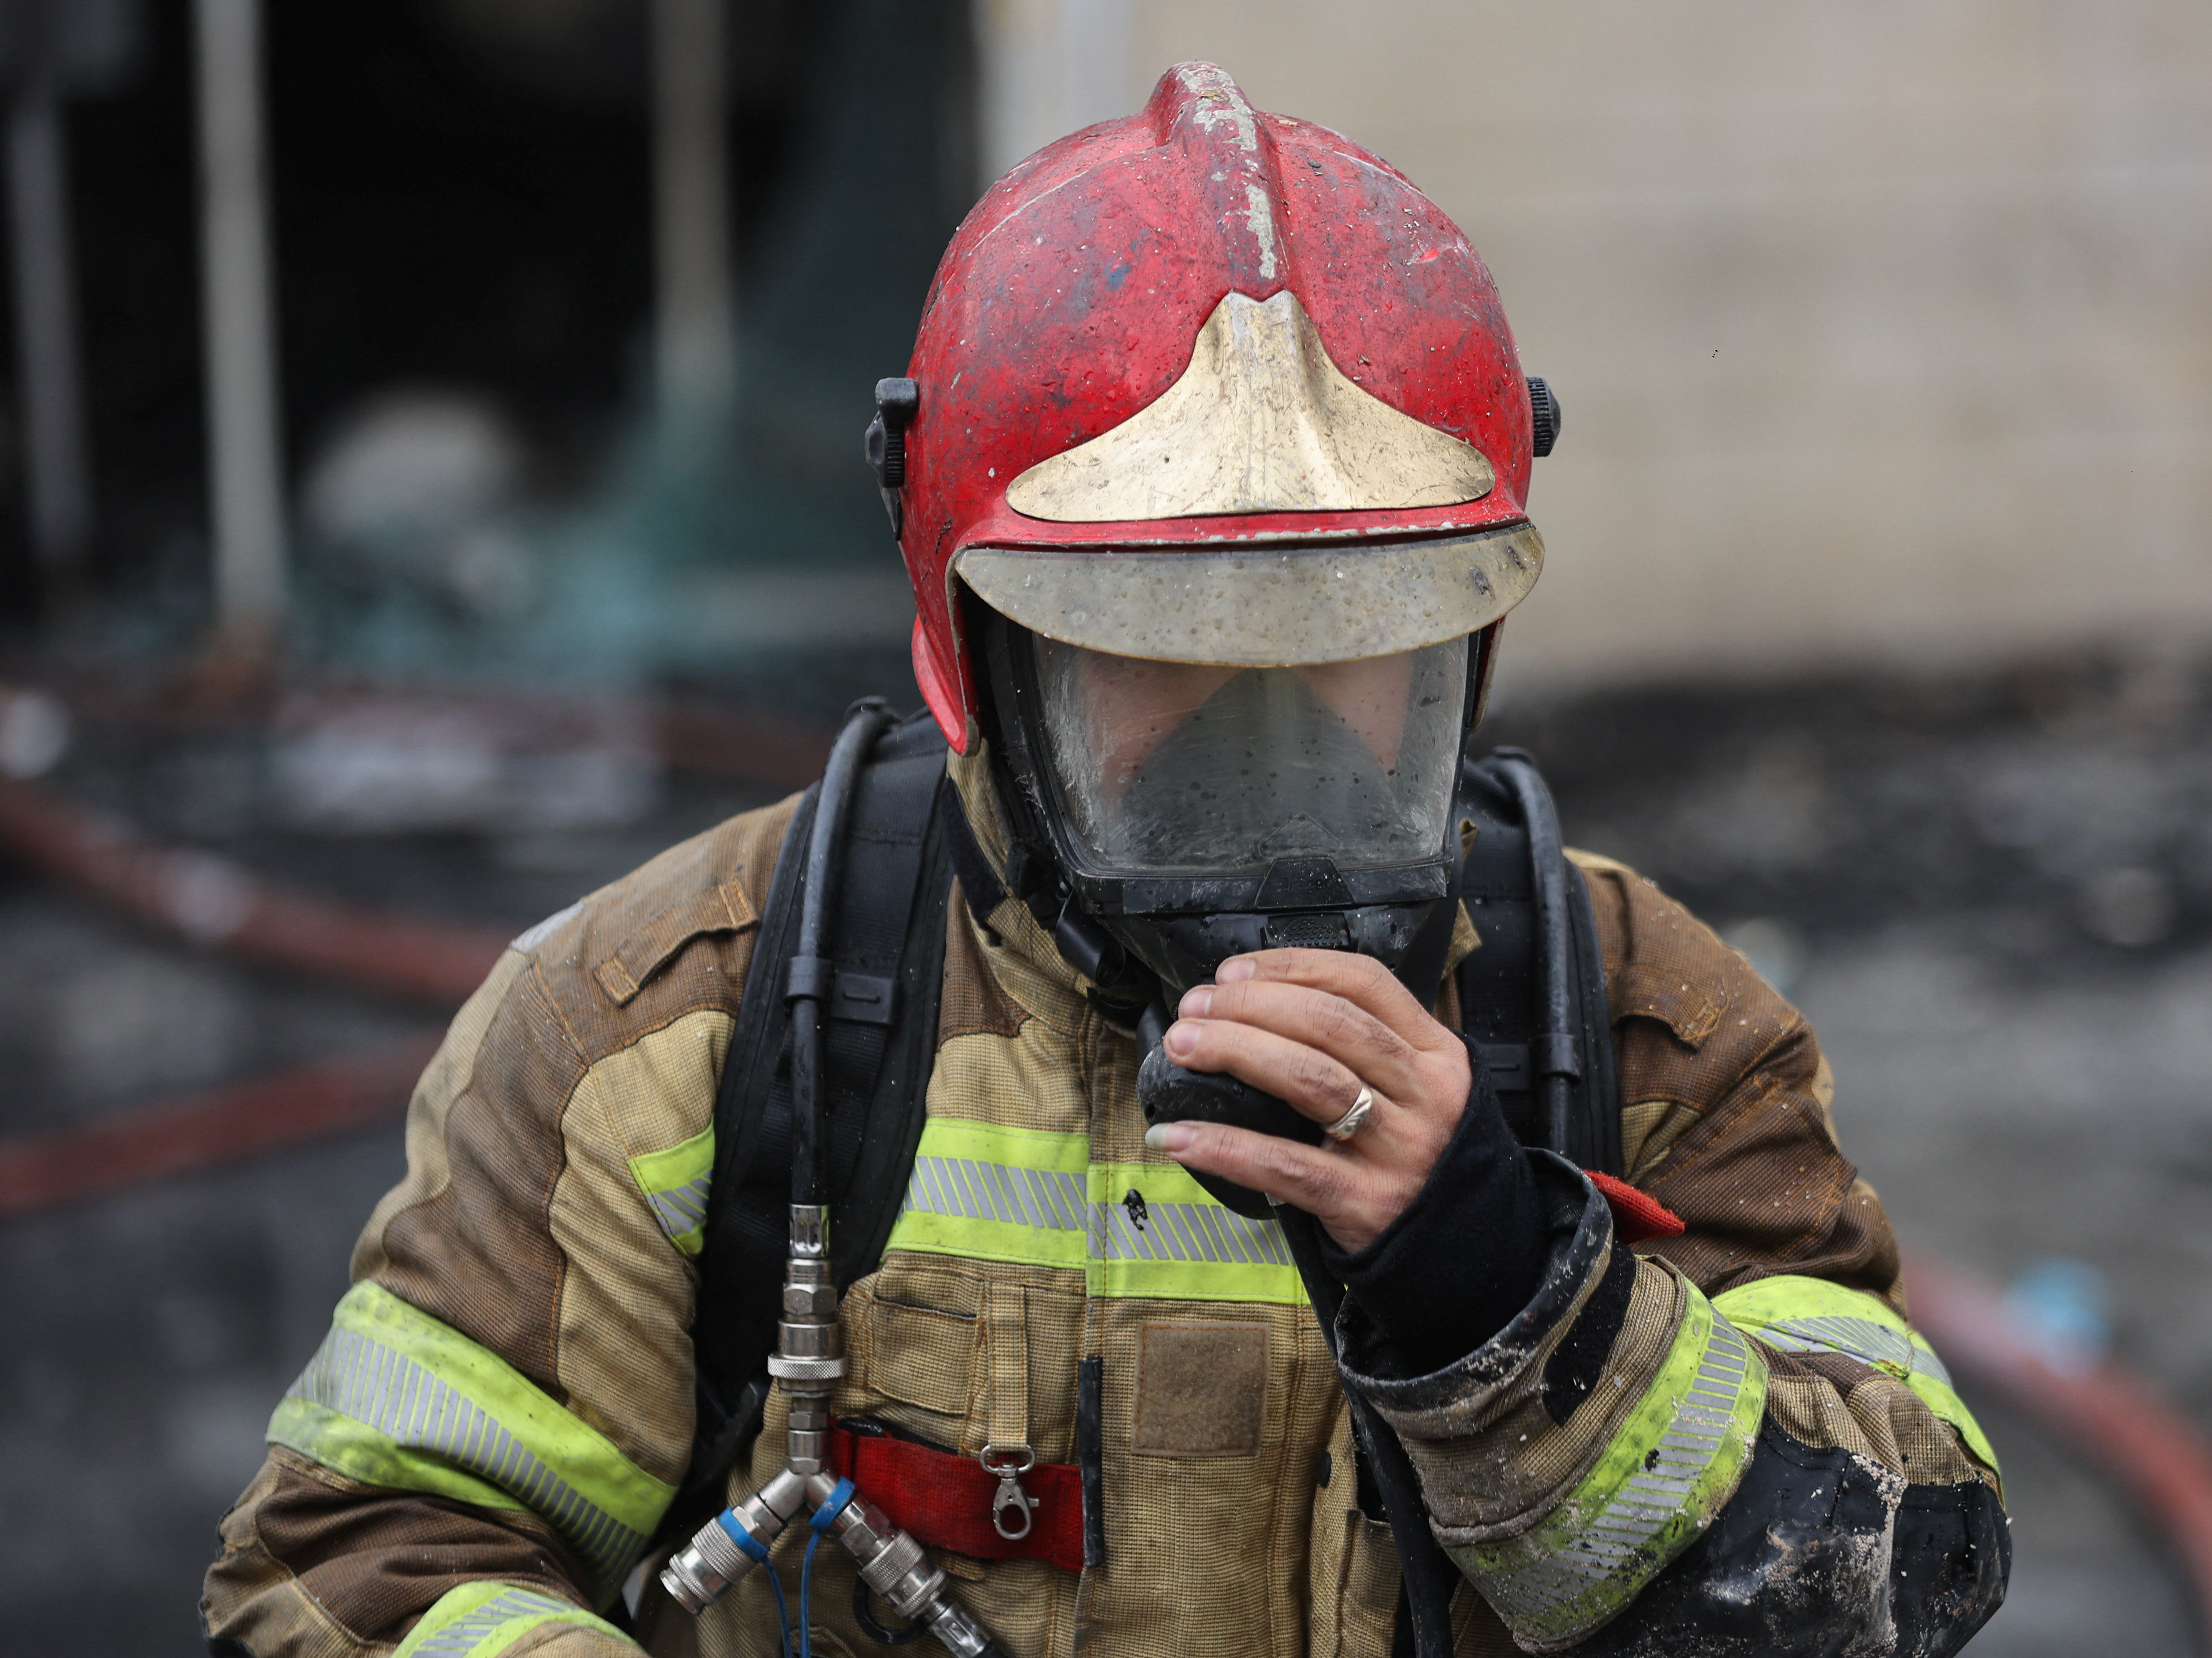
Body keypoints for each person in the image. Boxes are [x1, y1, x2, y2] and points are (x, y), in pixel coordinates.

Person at [203, 63, 2007, 1658]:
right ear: (974, 632)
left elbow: (1902, 1584)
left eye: (1348, 623)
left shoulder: (1634, 1028)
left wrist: (1521, 1304)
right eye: (1159, 631)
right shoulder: (667, 1029)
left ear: (1470, 626)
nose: (1265, 711)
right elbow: (357, 1567)